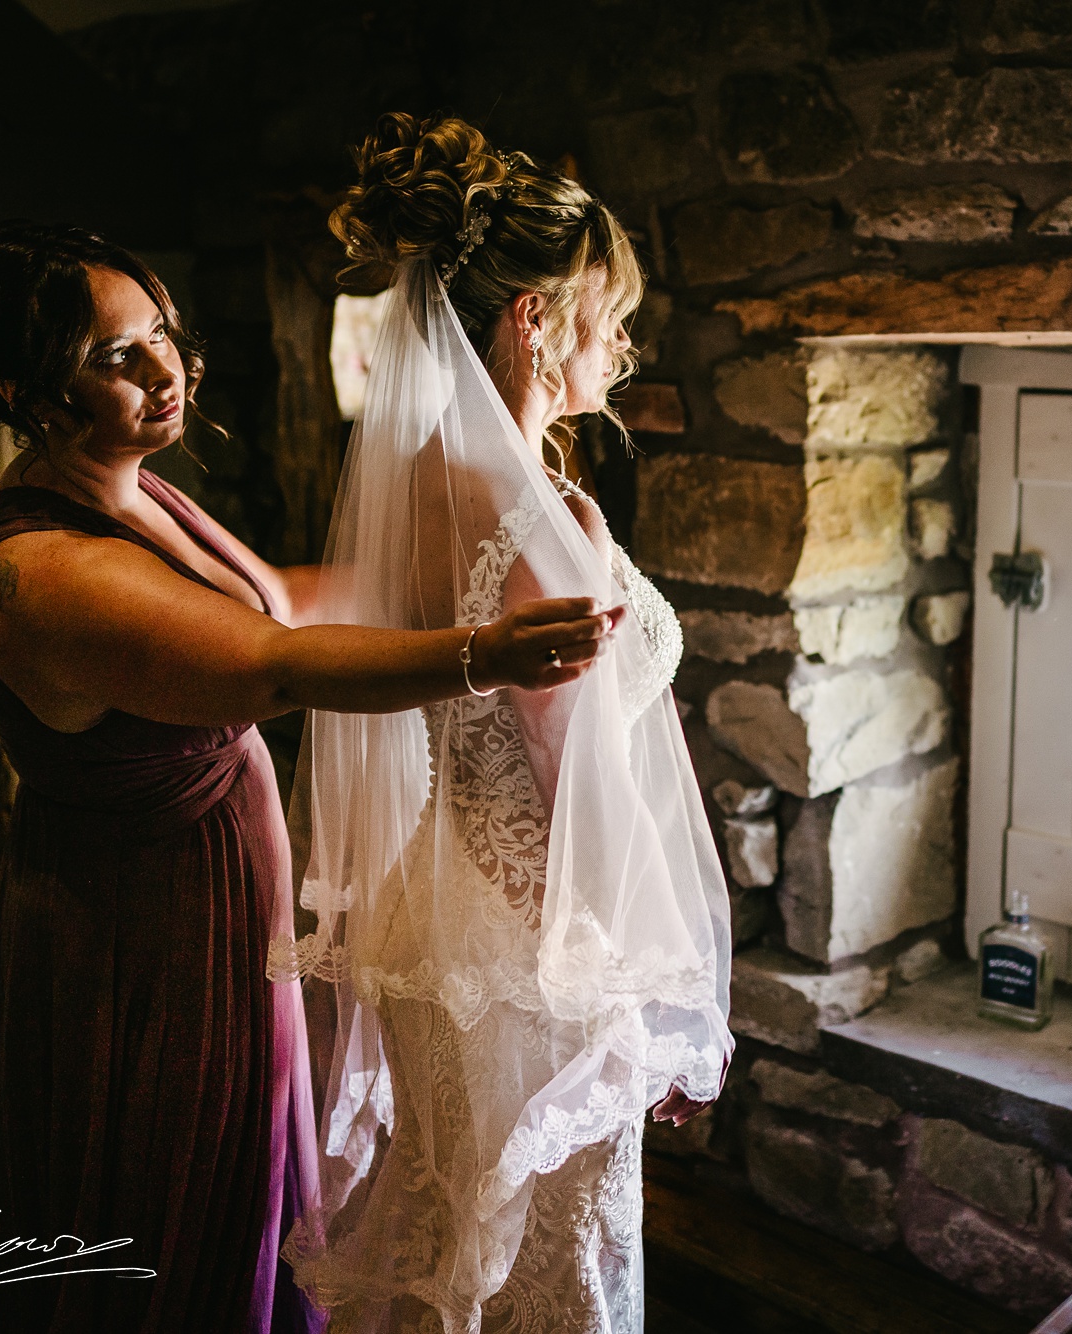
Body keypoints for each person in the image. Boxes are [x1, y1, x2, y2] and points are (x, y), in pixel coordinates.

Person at [0, 219, 621, 1333]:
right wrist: (481, 653)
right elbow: (274, 661)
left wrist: (443, 551)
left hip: (213, 898)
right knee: (175, 1197)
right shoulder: (43, 570)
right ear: (26, 387)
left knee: (247, 1178)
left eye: (159, 333)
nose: (166, 370)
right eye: (115, 357)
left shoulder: (133, 487)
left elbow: (278, 601)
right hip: (141, 931)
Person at [271, 115, 732, 1333]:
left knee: (450, 1227)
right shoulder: (530, 520)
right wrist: (668, 1007)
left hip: (439, 916)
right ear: (532, 318)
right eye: (606, 310)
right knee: (545, 1262)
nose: (622, 338)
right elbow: (583, 780)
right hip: (540, 955)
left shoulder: (418, 479)